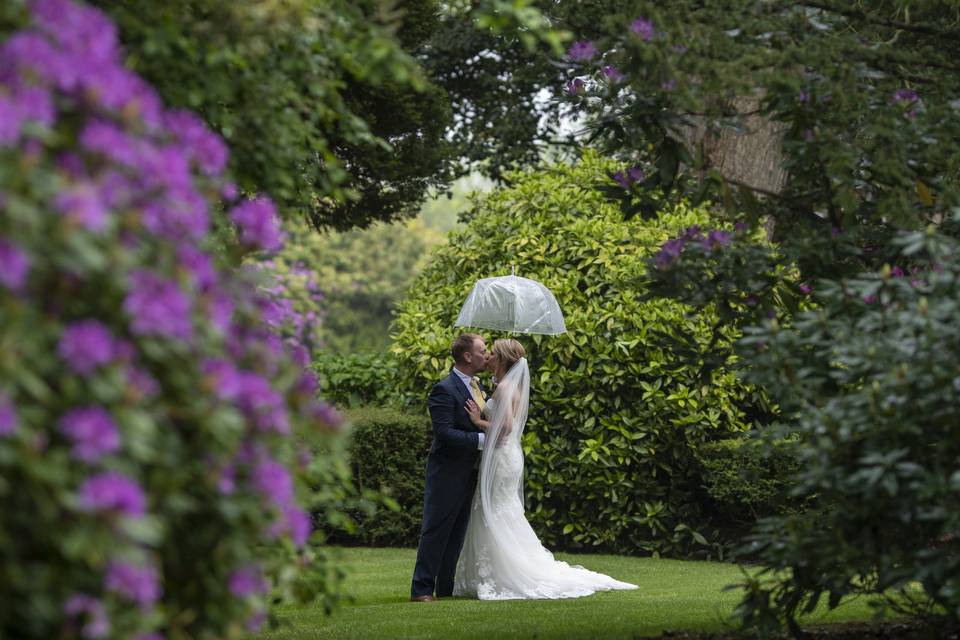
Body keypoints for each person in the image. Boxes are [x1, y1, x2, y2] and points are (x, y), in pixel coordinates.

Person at [454, 338, 637, 599]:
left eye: (493, 353)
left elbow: (504, 429)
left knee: (496, 511)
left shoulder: (505, 388)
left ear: (503, 359)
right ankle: (496, 569)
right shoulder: (503, 385)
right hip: (504, 457)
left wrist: (476, 420)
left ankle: (509, 571)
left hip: (503, 456)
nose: (489, 356)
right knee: (500, 511)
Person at [410, 333, 490, 601]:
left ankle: (445, 588)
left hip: (471, 472)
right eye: (482, 350)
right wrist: (483, 439)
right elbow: (444, 433)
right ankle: (421, 589)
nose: (486, 354)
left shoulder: (476, 386)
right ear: (467, 356)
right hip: (447, 472)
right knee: (436, 530)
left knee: (457, 533)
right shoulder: (444, 389)